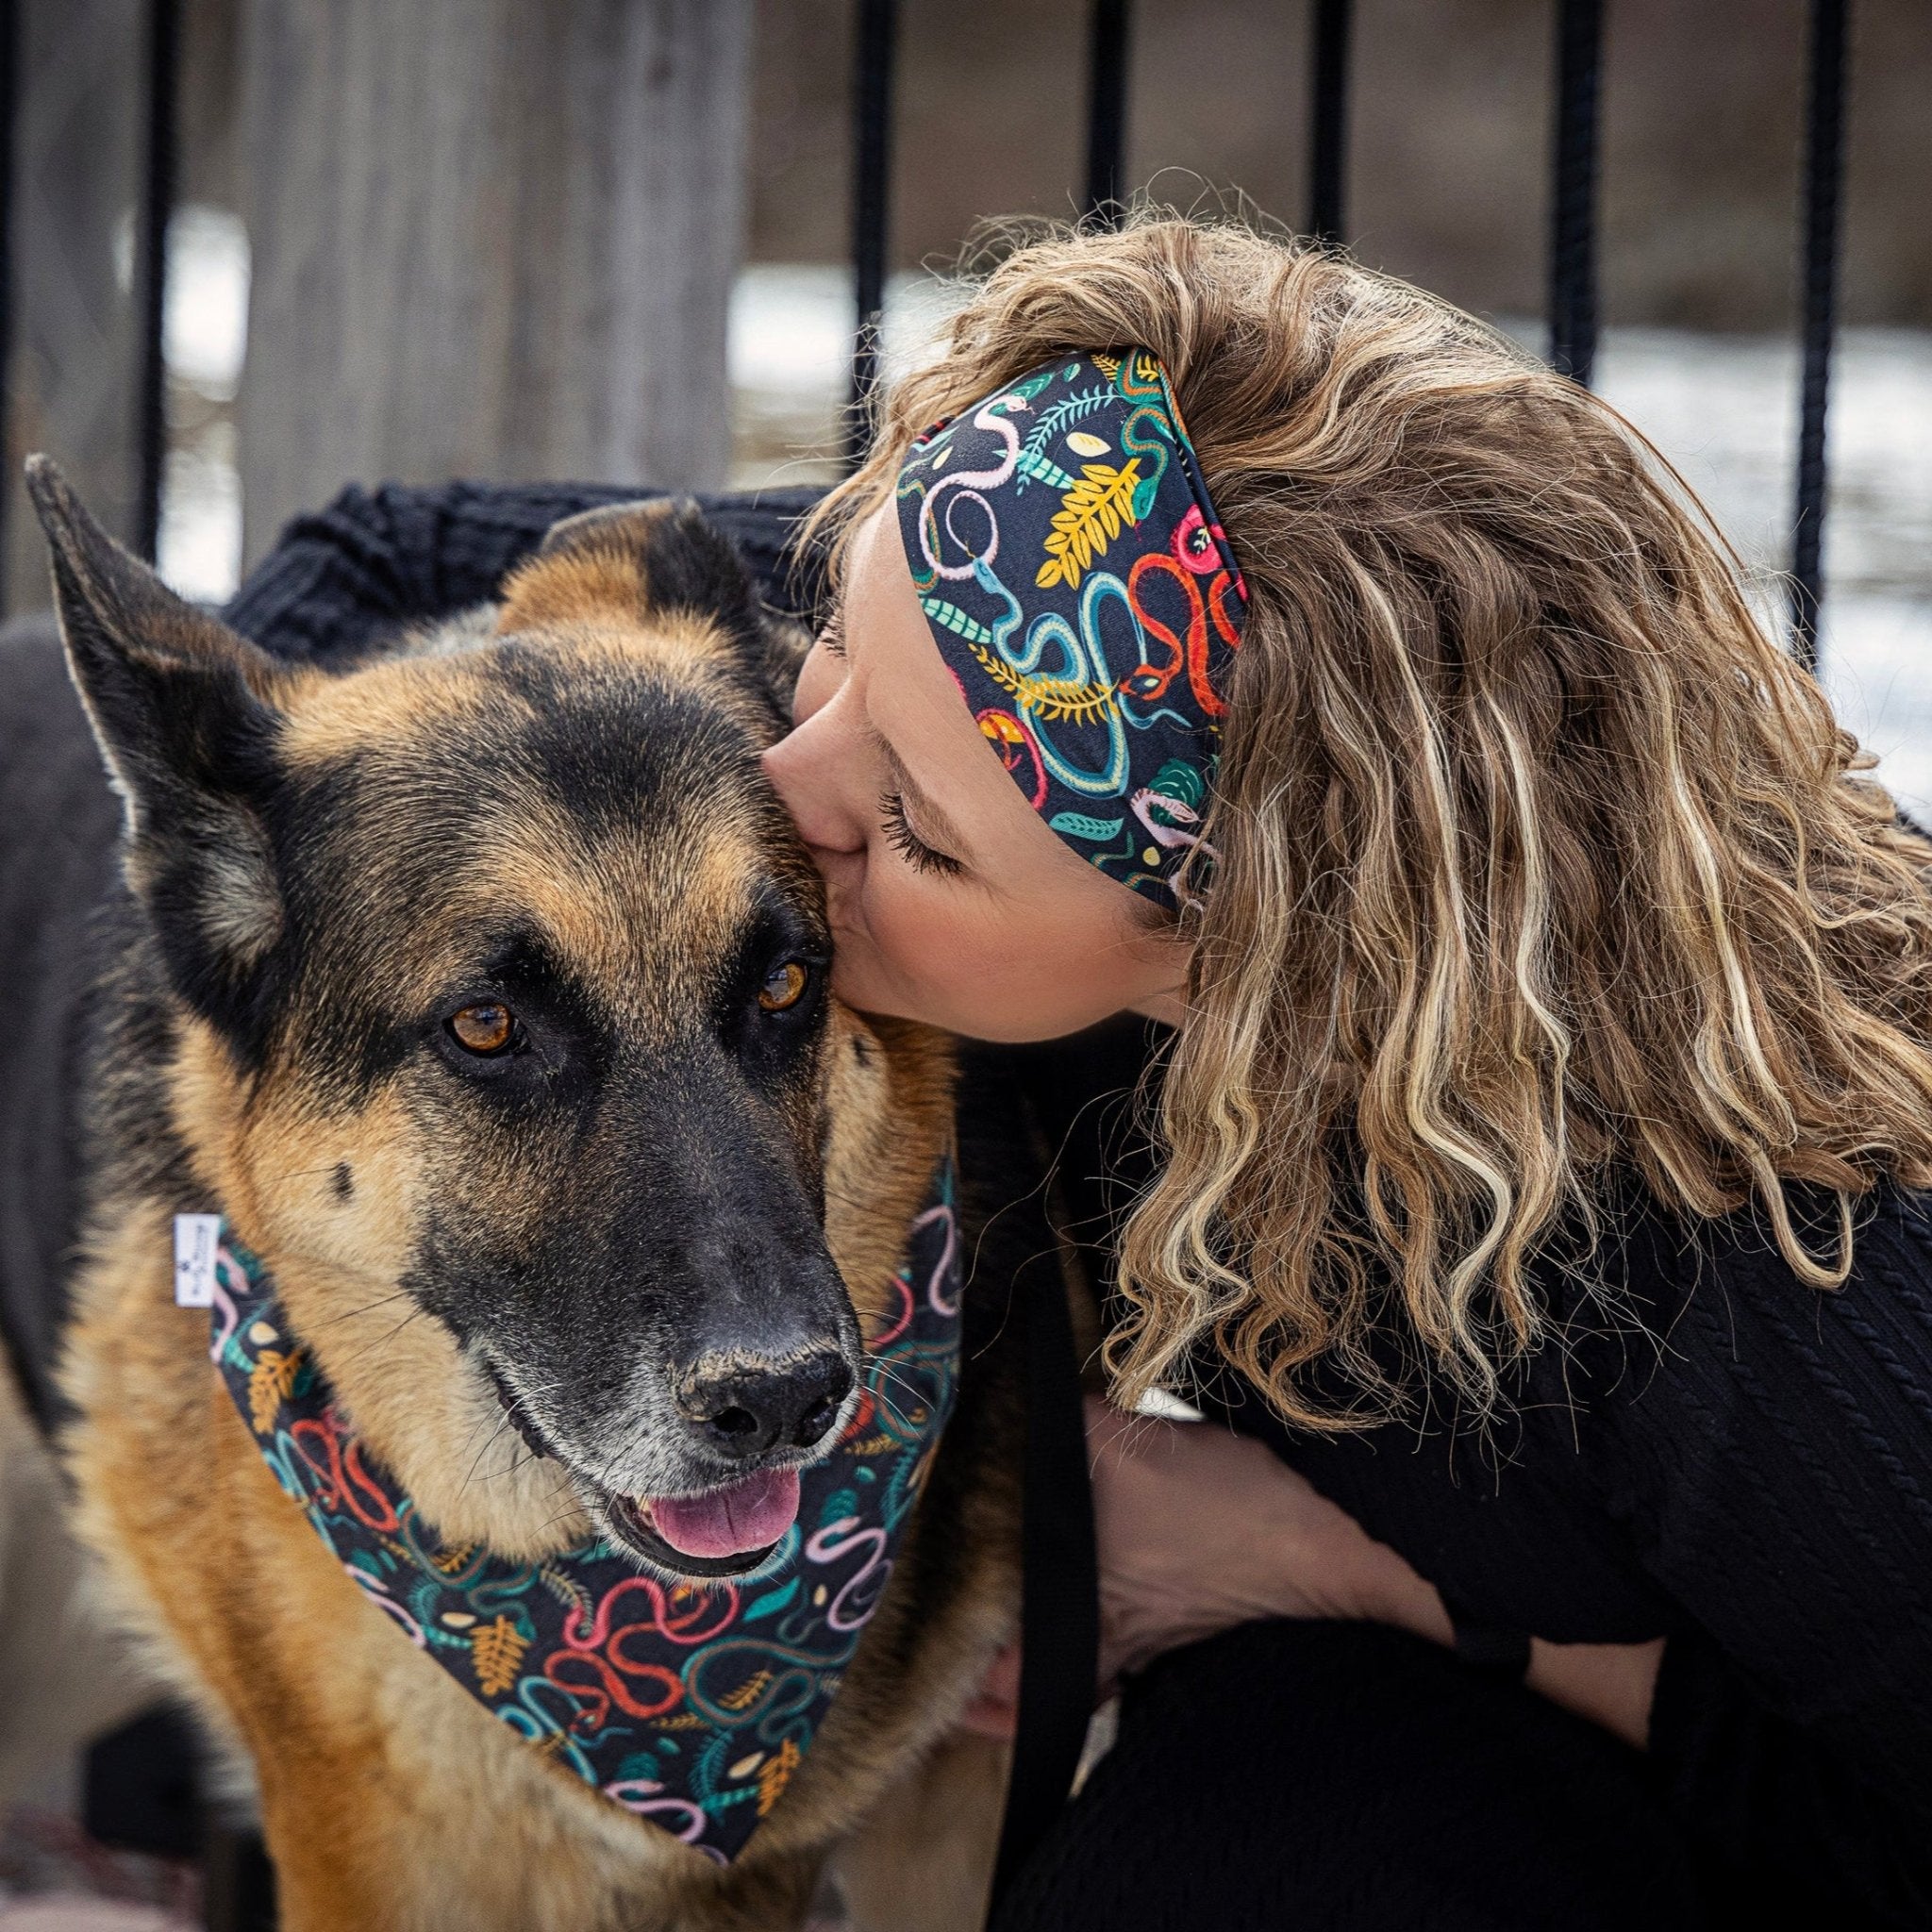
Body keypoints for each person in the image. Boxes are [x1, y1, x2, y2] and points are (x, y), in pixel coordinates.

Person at [224, 216, 1931, 1929]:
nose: (785, 797)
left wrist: (1339, 1572)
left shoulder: (1771, 1280)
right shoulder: (1014, 602)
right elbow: (369, 557)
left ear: (1258, 934)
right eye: (831, 661)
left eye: (914, 826)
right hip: (1381, 1733)